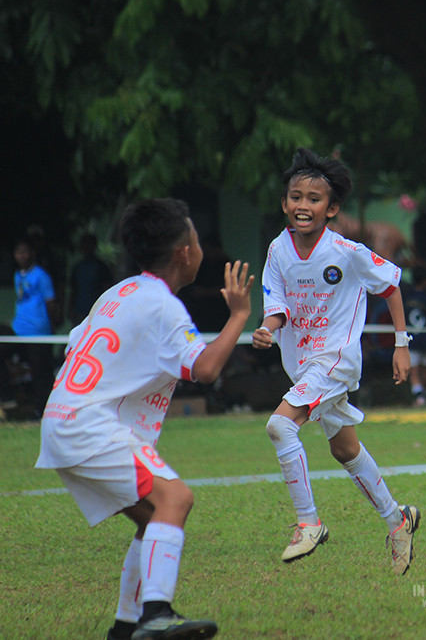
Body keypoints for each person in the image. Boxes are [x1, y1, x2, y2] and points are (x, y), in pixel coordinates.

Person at [34, 198, 254, 640]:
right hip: (88, 426)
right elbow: (206, 369)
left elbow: (81, 344)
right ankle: (156, 614)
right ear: (184, 253)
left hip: (61, 420)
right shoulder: (164, 305)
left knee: (153, 517)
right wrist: (240, 316)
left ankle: (124, 627)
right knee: (177, 499)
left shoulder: (119, 293)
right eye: (194, 238)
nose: (198, 247)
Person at [251, 147, 420, 574]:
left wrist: (402, 344)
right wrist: (268, 329)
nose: (302, 205)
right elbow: (278, 304)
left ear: (332, 209)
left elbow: (392, 285)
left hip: (335, 361)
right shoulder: (277, 250)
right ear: (284, 203)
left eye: (313, 199)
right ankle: (397, 520)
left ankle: (308, 523)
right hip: (304, 365)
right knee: (344, 448)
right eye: (295, 197)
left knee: (279, 425)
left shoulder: (346, 250)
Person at [1, 239, 59, 415]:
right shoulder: (18, 275)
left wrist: (53, 324)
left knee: (40, 369)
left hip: (37, 331)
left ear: (32, 254)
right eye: (18, 252)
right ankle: (7, 396)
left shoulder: (42, 276)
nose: (21, 256)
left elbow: (50, 302)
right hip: (18, 330)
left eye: (25, 252)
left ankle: (43, 410)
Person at [402, 265, 426, 406]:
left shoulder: (406, 298)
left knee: (415, 370)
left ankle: (420, 395)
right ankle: (422, 395)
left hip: (412, 338)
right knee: (425, 369)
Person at [68, 232, 115, 326]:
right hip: (79, 311)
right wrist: (70, 309)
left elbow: (107, 289)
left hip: (97, 311)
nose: (86, 248)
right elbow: (74, 290)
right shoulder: (77, 268)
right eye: (84, 245)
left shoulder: (102, 267)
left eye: (89, 245)